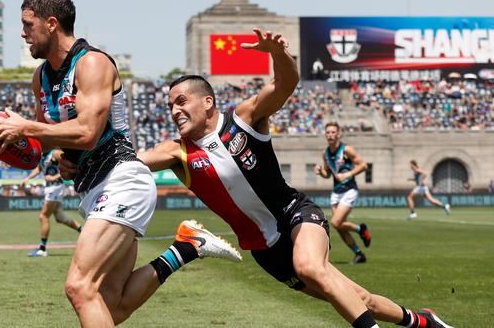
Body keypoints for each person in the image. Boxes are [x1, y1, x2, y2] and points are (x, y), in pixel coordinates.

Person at [135, 28, 453, 327]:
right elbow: (131, 164)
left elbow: (285, 84)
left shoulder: (243, 118)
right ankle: (423, 320)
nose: (174, 111)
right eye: (170, 105)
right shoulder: (176, 152)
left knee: (311, 267)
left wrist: (278, 54)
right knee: (358, 298)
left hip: (295, 214)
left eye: (181, 101)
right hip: (266, 251)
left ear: (207, 102)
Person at [0, 0, 241, 327]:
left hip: (122, 179)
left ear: (51, 23)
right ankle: (186, 248)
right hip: (92, 190)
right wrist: (47, 150)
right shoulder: (40, 77)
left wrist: (25, 127)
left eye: (28, 25)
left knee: (79, 286)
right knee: (111, 306)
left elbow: (88, 131)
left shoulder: (92, 63)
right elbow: (46, 138)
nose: (22, 33)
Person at [314, 122, 371, 264]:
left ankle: (360, 229)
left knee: (336, 222)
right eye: (328, 132)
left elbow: (363, 165)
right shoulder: (325, 153)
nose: (330, 135)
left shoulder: (346, 150)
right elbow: (328, 174)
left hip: (349, 190)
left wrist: (348, 174)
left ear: (338, 134)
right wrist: (321, 171)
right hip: (336, 192)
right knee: (338, 226)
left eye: (333, 132)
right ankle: (358, 253)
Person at [21, 149, 82, 257]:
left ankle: (42, 249)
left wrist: (56, 176)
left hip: (56, 188)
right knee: (60, 217)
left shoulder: (55, 153)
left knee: (43, 216)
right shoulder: (43, 156)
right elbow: (39, 168)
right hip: (51, 188)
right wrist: (28, 178)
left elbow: (72, 165)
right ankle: (83, 231)